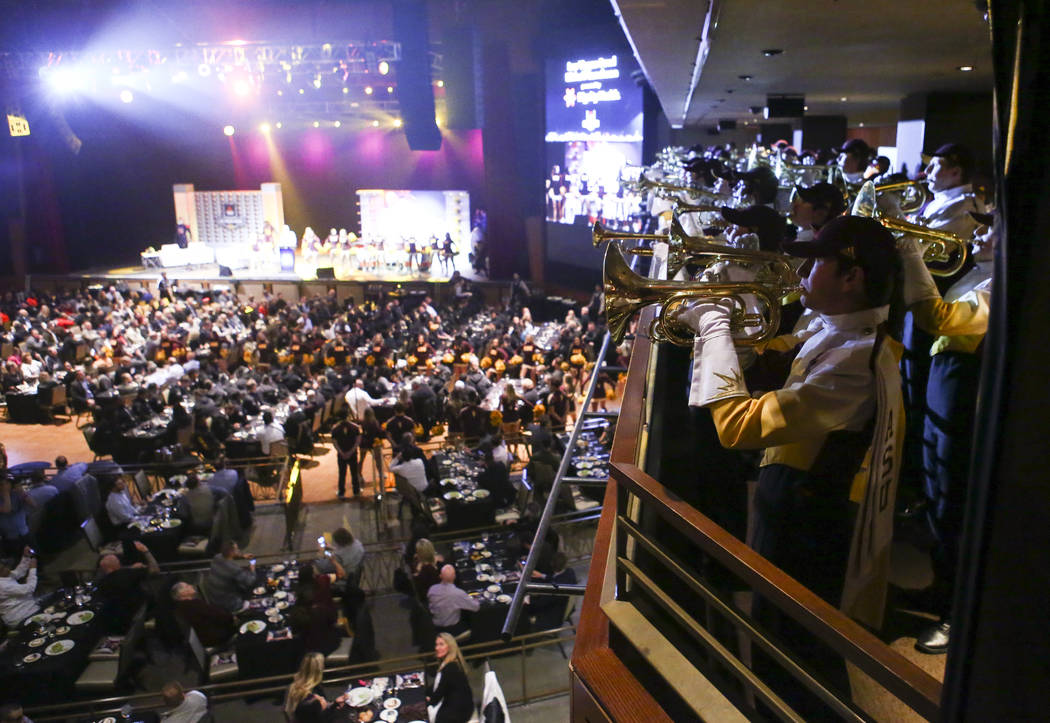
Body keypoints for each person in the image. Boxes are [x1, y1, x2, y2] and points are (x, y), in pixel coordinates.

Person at [676, 215, 902, 702]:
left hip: (807, 523)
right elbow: (776, 352)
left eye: (817, 259)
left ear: (851, 277)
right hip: (790, 503)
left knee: (795, 656)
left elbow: (736, 426)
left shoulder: (855, 361)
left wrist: (713, 324)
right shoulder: (834, 329)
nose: (803, 267)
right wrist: (734, 305)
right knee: (776, 639)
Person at [899, 213, 996, 654]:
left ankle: (957, 615)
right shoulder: (980, 270)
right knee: (938, 500)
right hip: (942, 387)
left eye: (991, 226)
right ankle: (941, 592)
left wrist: (912, 255)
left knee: (955, 506)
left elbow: (939, 317)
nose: (978, 232)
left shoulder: (1001, 284)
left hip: (963, 395)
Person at [96, 541, 160, 633]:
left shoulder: (101, 584)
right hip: (144, 612)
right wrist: (146, 551)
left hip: (121, 621)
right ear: (118, 565)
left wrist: (130, 569)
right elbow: (155, 570)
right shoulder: (129, 574)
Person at [283, 652, 348, 723]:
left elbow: (287, 711)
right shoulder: (314, 694)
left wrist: (334, 704)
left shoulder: (292, 687)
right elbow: (322, 718)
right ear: (319, 669)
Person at [171, 581, 237, 648]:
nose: (191, 586)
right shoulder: (193, 605)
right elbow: (217, 615)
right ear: (182, 593)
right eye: (187, 586)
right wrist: (232, 617)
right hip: (215, 636)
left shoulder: (180, 608)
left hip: (204, 639)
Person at [426, 632, 474, 723]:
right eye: (436, 645)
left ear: (450, 646)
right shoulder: (450, 662)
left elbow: (439, 693)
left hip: (459, 711)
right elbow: (439, 683)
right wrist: (428, 693)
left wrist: (428, 700)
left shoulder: (451, 668)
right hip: (459, 705)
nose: (437, 648)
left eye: (441, 644)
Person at [528, 551, 578, 630]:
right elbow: (556, 578)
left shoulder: (555, 589)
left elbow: (540, 604)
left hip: (551, 616)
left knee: (524, 611)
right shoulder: (569, 572)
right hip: (560, 606)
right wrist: (542, 576)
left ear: (551, 564)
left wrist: (527, 600)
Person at [203, 540, 257, 613]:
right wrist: (252, 566)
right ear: (232, 552)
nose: (238, 550)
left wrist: (242, 556)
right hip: (229, 604)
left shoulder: (217, 557)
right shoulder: (233, 569)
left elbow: (228, 557)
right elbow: (250, 581)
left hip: (213, 598)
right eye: (237, 549)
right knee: (253, 584)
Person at [427, 564, 479, 636]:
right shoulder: (457, 593)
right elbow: (476, 607)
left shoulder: (432, 589)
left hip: (435, 625)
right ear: (454, 576)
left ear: (440, 576)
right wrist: (476, 598)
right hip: (452, 628)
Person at [0, 547, 39, 628]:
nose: (8, 569)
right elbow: (29, 589)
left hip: (27, 608)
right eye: (3, 569)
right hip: (21, 617)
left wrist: (26, 557)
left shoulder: (3, 576)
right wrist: (33, 569)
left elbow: (18, 572)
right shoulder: (2, 586)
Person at [331, 412, 362, 499]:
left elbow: (334, 442)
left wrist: (341, 452)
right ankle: (356, 491)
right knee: (354, 473)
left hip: (341, 455)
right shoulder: (355, 427)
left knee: (342, 473)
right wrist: (351, 451)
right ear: (348, 416)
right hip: (352, 453)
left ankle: (341, 492)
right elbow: (358, 440)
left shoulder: (335, 428)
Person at [0, 479, 34, 556]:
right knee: (14, 560)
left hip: (24, 533)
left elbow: (33, 505)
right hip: (9, 537)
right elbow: (7, 509)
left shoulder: (17, 495)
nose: (4, 486)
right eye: (2, 485)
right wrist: (5, 494)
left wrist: (22, 492)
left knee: (31, 557)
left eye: (6, 484)